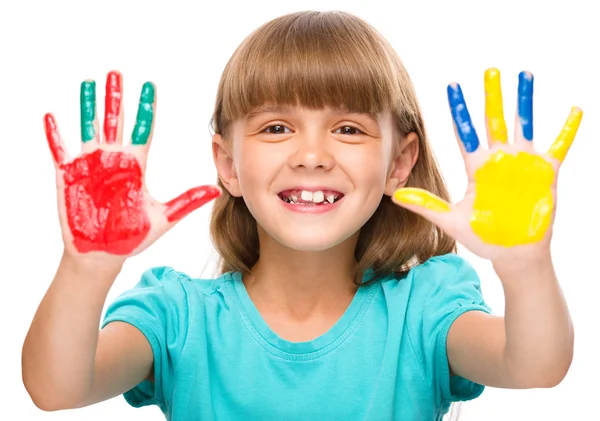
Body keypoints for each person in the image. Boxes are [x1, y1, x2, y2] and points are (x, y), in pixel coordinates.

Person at [22, 10, 581, 421]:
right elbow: (55, 388)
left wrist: (524, 266)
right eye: (276, 127)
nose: (312, 154)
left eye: (348, 129)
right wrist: (87, 267)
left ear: (398, 164)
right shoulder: (178, 317)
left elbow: (536, 366)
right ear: (228, 164)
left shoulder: (426, 307)